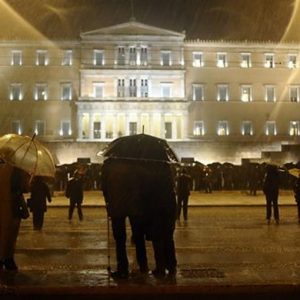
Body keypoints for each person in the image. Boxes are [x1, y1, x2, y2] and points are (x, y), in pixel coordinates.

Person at [0, 163, 30, 271]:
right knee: (10, 234)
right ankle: (7, 259)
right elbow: (25, 187)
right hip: (12, 206)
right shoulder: (17, 169)